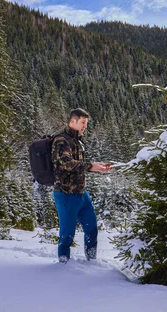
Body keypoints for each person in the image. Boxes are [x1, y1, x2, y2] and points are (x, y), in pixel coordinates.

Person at [51, 108, 111, 263]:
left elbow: (79, 166)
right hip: (65, 194)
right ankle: (63, 266)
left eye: (86, 123)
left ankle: (92, 261)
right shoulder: (60, 140)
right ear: (73, 122)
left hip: (81, 194)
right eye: (83, 123)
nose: (85, 126)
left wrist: (98, 167)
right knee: (67, 234)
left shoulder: (78, 141)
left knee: (92, 229)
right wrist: (91, 166)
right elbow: (65, 163)